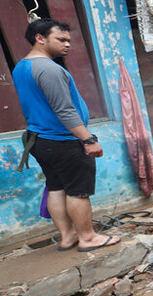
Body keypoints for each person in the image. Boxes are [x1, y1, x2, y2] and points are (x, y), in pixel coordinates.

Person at [12, 18, 120, 252]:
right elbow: (64, 110)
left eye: (69, 40)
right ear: (40, 38)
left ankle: (68, 236)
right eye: (61, 39)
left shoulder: (22, 66)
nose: (67, 44)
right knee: (78, 191)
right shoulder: (48, 69)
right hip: (62, 140)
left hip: (40, 140)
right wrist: (88, 139)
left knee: (56, 187)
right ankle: (88, 238)